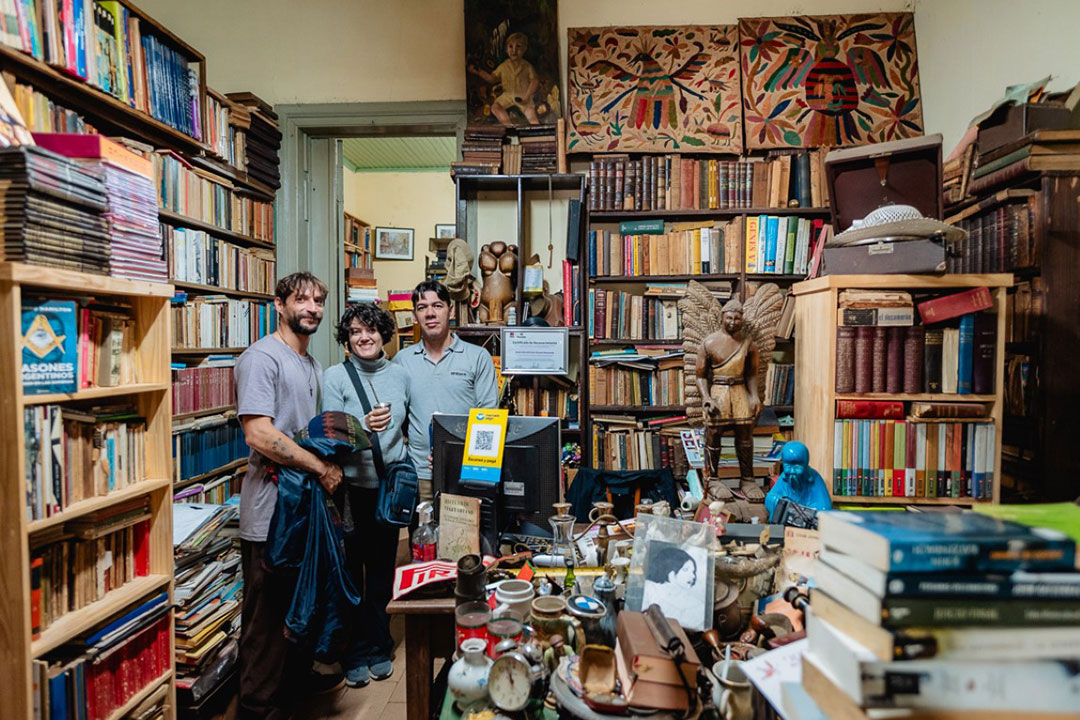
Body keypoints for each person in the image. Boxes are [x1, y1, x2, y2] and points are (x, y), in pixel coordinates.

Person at [235, 272, 343, 719]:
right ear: (279, 304)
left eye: (318, 300)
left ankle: (294, 688)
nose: (312, 307)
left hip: (303, 509)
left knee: (301, 602)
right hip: (270, 509)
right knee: (266, 614)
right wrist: (319, 466)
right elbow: (259, 433)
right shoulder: (262, 359)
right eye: (302, 299)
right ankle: (257, 706)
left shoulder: (312, 364)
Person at [323, 303, 410, 688]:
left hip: (389, 490)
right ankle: (354, 653)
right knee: (351, 575)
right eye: (355, 331)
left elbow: (411, 427)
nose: (364, 337)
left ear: (383, 334)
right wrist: (361, 426)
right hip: (350, 491)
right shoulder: (334, 377)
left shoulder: (401, 375)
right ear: (346, 339)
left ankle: (380, 644)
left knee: (382, 572)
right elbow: (328, 436)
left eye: (371, 330)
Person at [394, 279, 498, 500]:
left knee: (466, 535)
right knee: (422, 534)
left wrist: (461, 455)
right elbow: (396, 420)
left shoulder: (478, 357)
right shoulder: (401, 361)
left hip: (466, 474)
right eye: (422, 308)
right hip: (419, 475)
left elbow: (489, 421)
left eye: (437, 306)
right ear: (414, 316)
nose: (430, 313)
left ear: (450, 311)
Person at [694, 297, 764, 501]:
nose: (733, 322)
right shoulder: (709, 343)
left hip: (740, 389)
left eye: (737, 318)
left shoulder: (749, 345)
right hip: (719, 390)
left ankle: (748, 479)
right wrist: (706, 397)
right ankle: (712, 478)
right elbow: (700, 376)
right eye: (729, 318)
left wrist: (755, 397)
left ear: (742, 320)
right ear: (721, 318)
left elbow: (752, 374)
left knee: (745, 435)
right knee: (714, 433)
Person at [467, 31, 541, 125]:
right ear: (506, 49)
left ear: (525, 49)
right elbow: (492, 78)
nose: (514, 50)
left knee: (531, 115)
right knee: (495, 107)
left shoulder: (527, 66)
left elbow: (534, 81)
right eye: (510, 47)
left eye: (518, 47)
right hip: (507, 95)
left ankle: (537, 133)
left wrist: (527, 96)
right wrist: (479, 72)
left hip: (522, 96)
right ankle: (509, 126)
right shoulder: (504, 66)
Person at [765, 441, 833, 519]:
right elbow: (771, 497)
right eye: (788, 467)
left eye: (797, 467)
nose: (792, 471)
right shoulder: (784, 478)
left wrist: (803, 512)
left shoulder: (814, 478)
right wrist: (777, 501)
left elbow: (825, 508)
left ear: (805, 464)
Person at [641, 545, 702, 630]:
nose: (692, 576)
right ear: (670, 571)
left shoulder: (696, 604)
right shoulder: (650, 588)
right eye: (685, 570)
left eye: (693, 571)